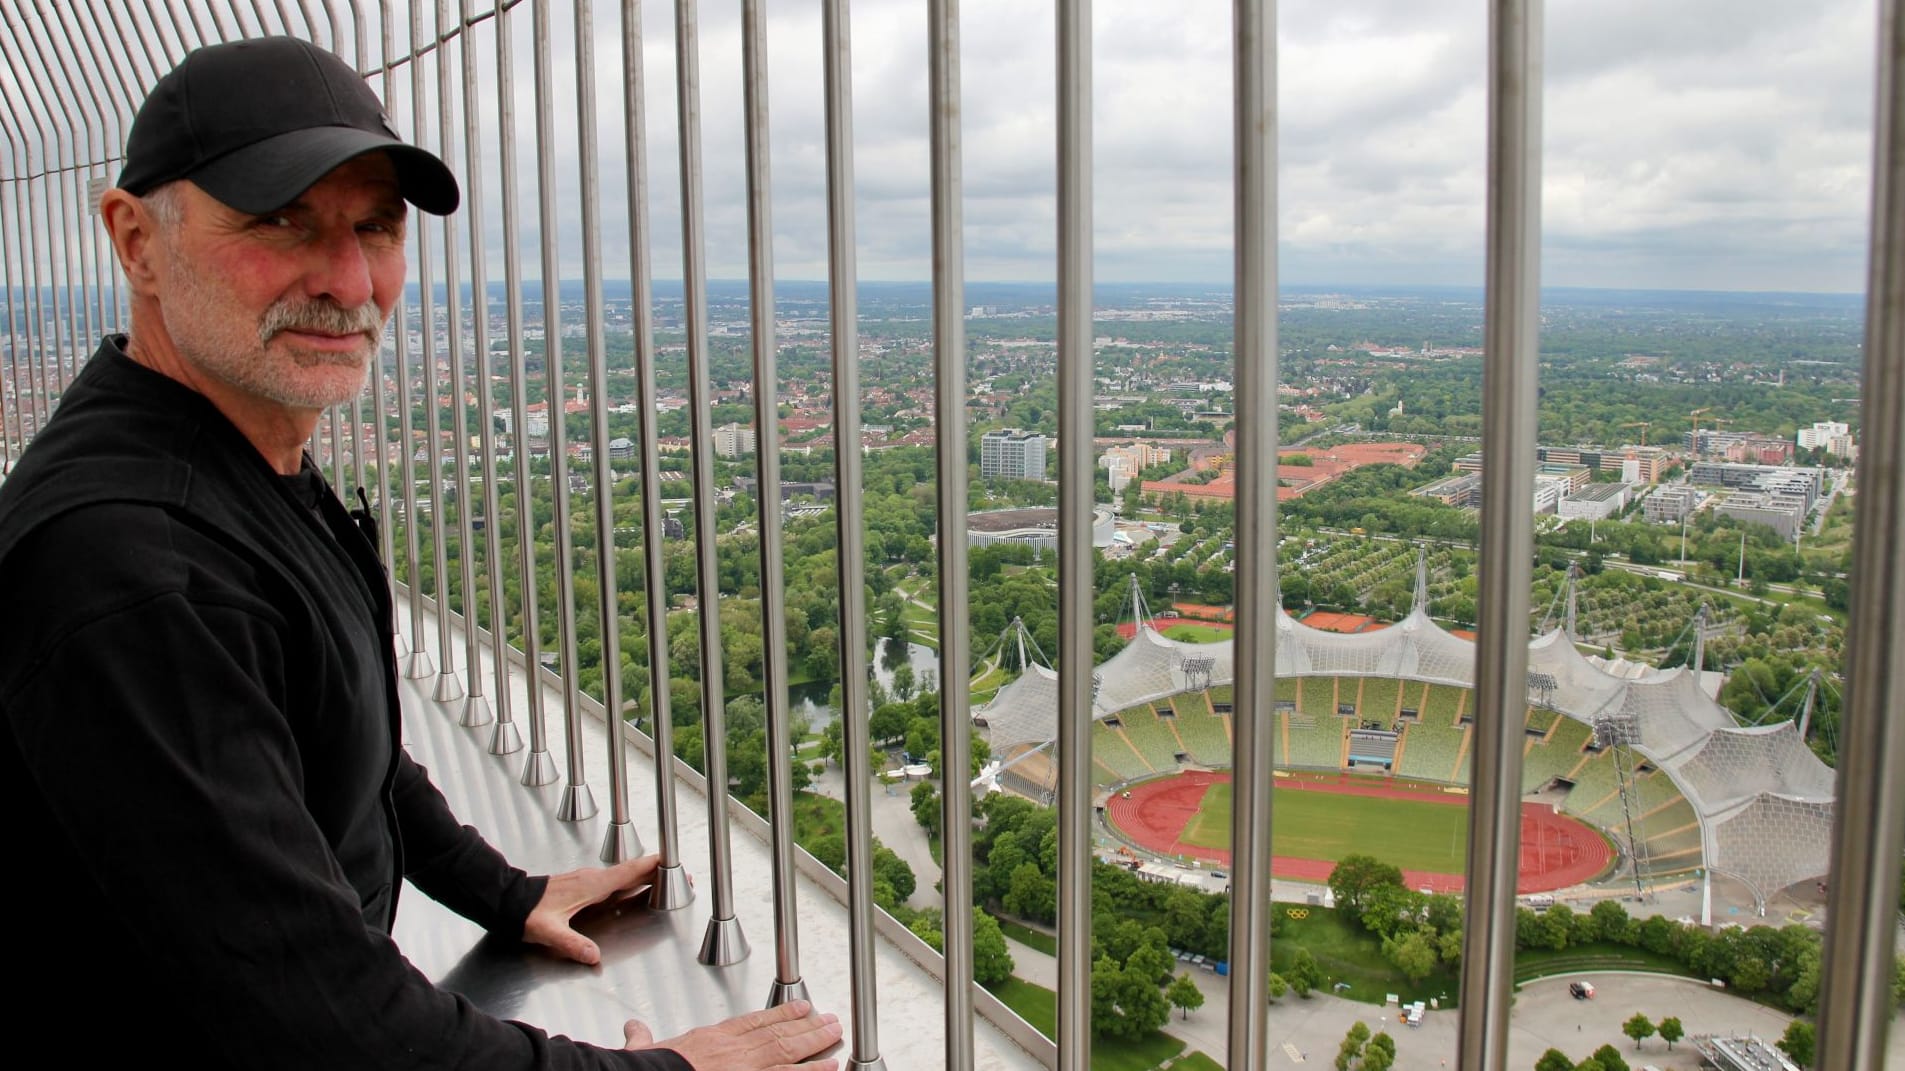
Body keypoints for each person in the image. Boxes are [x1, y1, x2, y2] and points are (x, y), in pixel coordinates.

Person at [0, 36, 839, 1071]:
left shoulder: (230, 458)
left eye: (377, 226)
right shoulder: (134, 566)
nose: (350, 280)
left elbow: (335, 738)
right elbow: (323, 1022)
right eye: (280, 220)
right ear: (135, 241)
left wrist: (505, 891)